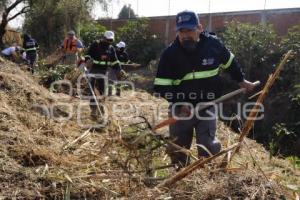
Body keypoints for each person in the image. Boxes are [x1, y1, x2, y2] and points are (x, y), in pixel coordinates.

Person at [153, 10, 257, 169]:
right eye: (182, 31)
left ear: (199, 28)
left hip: (208, 104)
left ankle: (205, 174)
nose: (185, 35)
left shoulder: (213, 45)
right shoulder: (170, 54)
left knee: (207, 146)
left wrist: (241, 80)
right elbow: (161, 85)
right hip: (180, 109)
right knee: (178, 149)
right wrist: (180, 103)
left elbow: (230, 63)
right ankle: (179, 176)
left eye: (189, 30)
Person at [84, 30, 125, 119]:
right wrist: (87, 60)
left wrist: (119, 69)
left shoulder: (111, 48)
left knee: (102, 91)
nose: (110, 42)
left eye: (111, 40)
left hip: (104, 72)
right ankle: (94, 109)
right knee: (92, 91)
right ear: (104, 38)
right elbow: (87, 54)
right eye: (108, 40)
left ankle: (101, 108)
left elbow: (115, 61)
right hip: (94, 70)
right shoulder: (96, 44)